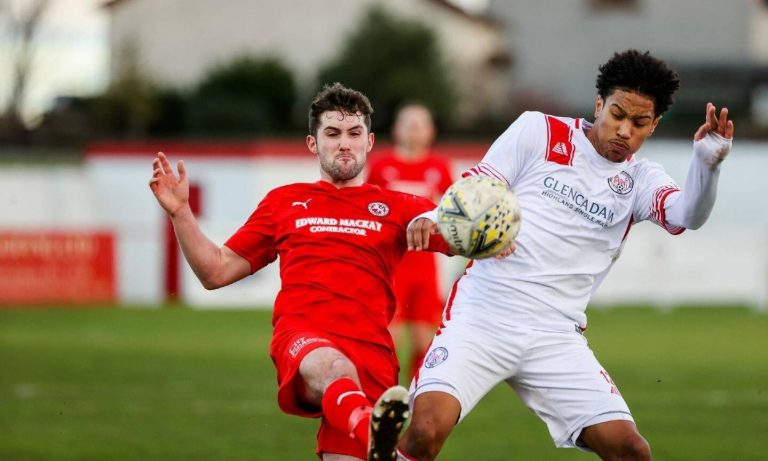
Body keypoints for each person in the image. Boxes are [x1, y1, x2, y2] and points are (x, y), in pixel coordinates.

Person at [397, 49, 734, 461]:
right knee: (425, 432)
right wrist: (433, 216)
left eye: (639, 122)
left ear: (654, 125)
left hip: (555, 335)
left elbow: (687, 216)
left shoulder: (641, 179)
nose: (624, 130)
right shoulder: (538, 131)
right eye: (617, 114)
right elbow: (478, 184)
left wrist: (707, 165)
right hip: (483, 315)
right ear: (599, 105)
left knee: (631, 450)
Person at [148, 83, 451, 461]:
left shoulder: (400, 207)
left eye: (354, 133)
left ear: (370, 142)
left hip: (372, 357)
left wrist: (494, 236)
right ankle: (370, 431)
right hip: (304, 338)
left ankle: (369, 430)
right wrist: (181, 213)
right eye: (332, 133)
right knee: (334, 366)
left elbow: (466, 238)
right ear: (313, 143)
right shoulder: (284, 202)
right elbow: (216, 271)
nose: (345, 143)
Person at [366, 103, 454, 380]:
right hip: (392, 264)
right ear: (396, 129)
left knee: (422, 340)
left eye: (421, 124)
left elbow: (452, 212)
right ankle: (384, 394)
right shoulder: (382, 166)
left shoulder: (439, 167)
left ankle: (417, 398)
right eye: (409, 123)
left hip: (425, 266)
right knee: (389, 339)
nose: (415, 130)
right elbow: (368, 209)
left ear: (431, 131)